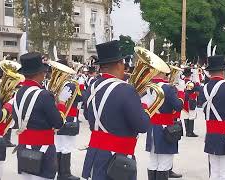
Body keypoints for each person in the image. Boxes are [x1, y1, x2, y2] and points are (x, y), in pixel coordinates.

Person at [82, 40, 150, 180]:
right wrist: (144, 105)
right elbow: (142, 126)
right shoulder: (126, 90)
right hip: (118, 158)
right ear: (119, 64)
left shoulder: (92, 87)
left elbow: (88, 116)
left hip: (95, 153)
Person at [12, 52, 71, 180]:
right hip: (43, 149)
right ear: (40, 73)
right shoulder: (44, 95)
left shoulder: (18, 93)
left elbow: (15, 118)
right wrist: (61, 103)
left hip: (23, 147)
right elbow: (58, 123)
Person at [145, 73, 184, 180]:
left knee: (153, 161)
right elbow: (178, 106)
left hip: (152, 127)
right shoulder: (167, 88)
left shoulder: (147, 87)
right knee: (164, 162)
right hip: (165, 128)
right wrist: (180, 93)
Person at [54, 59, 81, 180]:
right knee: (66, 146)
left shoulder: (56, 83)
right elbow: (80, 98)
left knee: (59, 146)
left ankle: (60, 172)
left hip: (59, 116)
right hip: (68, 117)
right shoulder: (71, 84)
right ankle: (65, 174)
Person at [183, 67, 200, 137]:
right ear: (190, 75)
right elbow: (197, 92)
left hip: (184, 100)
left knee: (186, 116)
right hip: (191, 101)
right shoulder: (191, 83)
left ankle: (187, 131)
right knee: (191, 116)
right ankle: (190, 132)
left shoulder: (182, 81)